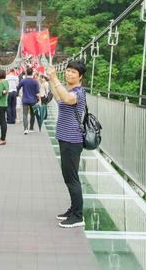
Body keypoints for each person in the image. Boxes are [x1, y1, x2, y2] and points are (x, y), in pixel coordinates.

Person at [47, 61, 86, 228]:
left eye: (73, 72)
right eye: (68, 71)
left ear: (80, 76)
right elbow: (58, 98)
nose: (69, 74)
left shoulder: (78, 92)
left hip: (72, 140)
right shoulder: (69, 90)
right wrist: (50, 79)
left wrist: (55, 79)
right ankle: (73, 209)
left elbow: (68, 99)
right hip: (65, 138)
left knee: (72, 178)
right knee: (67, 176)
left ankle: (78, 216)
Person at [16, 67, 40, 134]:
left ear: (26, 73)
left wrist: (18, 93)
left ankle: (25, 129)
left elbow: (18, 87)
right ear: (32, 73)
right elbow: (37, 91)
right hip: (33, 100)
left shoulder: (23, 81)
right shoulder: (35, 82)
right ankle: (31, 128)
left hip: (25, 100)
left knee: (25, 114)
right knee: (33, 114)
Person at [0, 69, 9, 145]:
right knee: (3, 122)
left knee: (2, 122)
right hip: (5, 104)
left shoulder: (0, 83)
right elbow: (5, 91)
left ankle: (3, 139)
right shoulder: (6, 82)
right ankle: (3, 137)